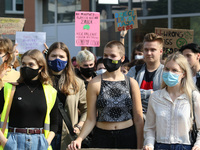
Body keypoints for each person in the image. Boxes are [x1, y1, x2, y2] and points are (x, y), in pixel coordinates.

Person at [68, 40, 144, 150]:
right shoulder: (94, 83)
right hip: (102, 137)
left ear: (122, 58)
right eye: (105, 55)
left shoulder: (132, 83)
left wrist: (140, 146)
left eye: (112, 55)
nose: (108, 59)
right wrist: (79, 139)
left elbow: (138, 118)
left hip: (127, 136)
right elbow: (90, 119)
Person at [0, 49, 58, 150]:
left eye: (31, 64)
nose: (26, 67)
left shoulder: (50, 92)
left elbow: (54, 123)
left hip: (40, 142)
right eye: (23, 64)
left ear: (40, 68)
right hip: (13, 140)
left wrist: (46, 142)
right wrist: (4, 142)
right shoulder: (9, 88)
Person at [143, 52, 200, 150]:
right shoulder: (155, 97)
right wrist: (149, 144)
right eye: (167, 69)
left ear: (183, 74)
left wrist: (198, 145)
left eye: (175, 70)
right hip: (160, 145)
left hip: (185, 146)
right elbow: (150, 128)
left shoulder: (193, 97)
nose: (170, 73)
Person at [46, 42, 87, 150]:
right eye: (53, 56)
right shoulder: (40, 81)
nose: (57, 59)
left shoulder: (77, 83)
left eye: (61, 56)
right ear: (47, 57)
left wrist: (79, 126)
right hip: (44, 136)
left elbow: (87, 109)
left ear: (67, 59)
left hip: (67, 137)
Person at [127, 33, 164, 117]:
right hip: (136, 117)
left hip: (158, 119)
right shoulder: (134, 70)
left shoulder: (166, 72)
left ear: (160, 51)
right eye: (146, 50)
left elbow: (164, 96)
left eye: (153, 50)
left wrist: (137, 95)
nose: (148, 53)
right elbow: (126, 93)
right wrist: (150, 93)